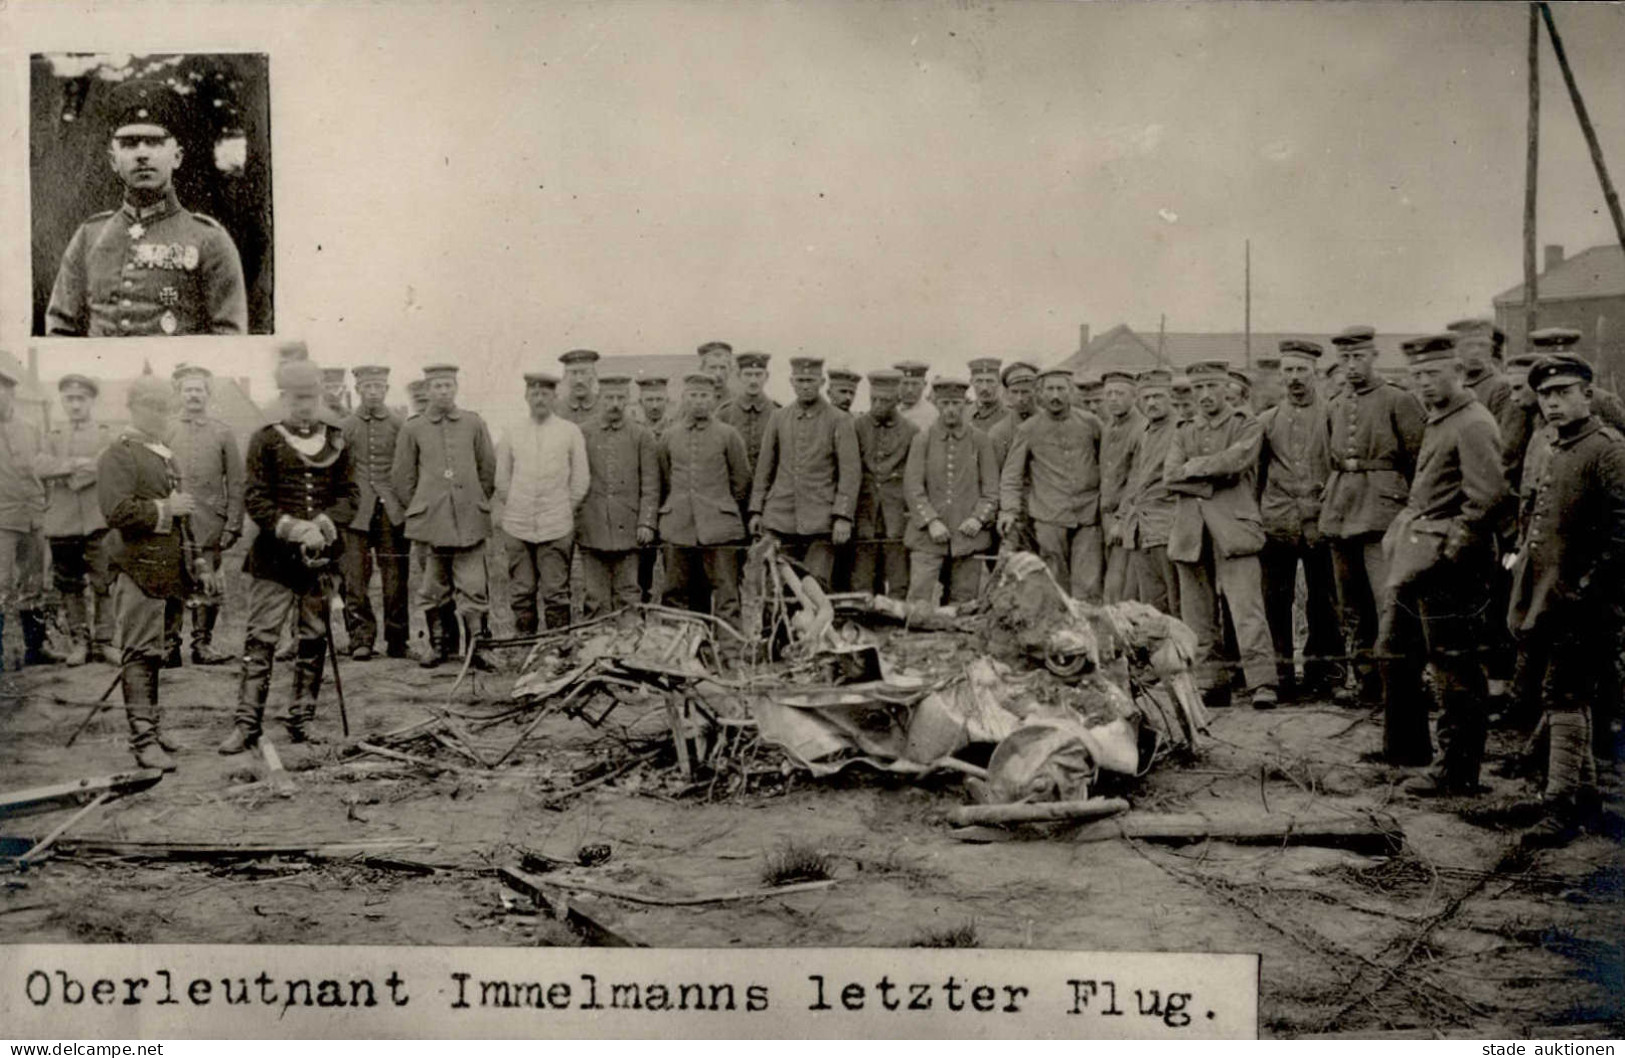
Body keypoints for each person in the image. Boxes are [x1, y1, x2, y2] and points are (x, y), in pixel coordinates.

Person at [1506, 354, 1625, 845]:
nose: (1553, 403)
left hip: (1586, 604)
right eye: (1546, 395)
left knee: (1564, 695)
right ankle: (1586, 800)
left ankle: (1559, 808)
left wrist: (1587, 590)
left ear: (1588, 395)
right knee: (1565, 695)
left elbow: (1622, 535)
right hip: (1552, 597)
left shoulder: (1608, 450)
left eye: (1564, 393)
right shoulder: (1559, 446)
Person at [1379, 334, 1506, 790]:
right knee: (1396, 650)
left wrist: (1450, 554)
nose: (1423, 383)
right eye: (1416, 375)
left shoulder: (1472, 423)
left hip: (1451, 569)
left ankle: (1457, 771)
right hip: (1420, 559)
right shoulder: (1442, 418)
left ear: (1457, 371)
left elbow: (1488, 500)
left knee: (1454, 666)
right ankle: (1407, 751)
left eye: (1432, 373)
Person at [219, 360, 357, 753]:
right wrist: (294, 528)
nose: (304, 405)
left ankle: (302, 721)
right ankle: (246, 725)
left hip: (320, 558)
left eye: (311, 397)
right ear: (284, 398)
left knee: (313, 638)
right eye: (297, 398)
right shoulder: (265, 439)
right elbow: (255, 498)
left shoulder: (336, 439)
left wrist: (327, 523)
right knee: (261, 639)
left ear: (320, 397)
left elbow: (351, 496)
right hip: (274, 559)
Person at [45, 79, 246, 337]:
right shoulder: (89, 237)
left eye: (154, 142)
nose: (142, 154)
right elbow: (60, 330)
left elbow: (229, 341)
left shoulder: (209, 240)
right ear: (113, 160)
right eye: (129, 143)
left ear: (177, 157)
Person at [1320, 324, 1425, 706]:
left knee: (1389, 602)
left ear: (1374, 356)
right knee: (1353, 604)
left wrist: (1411, 513)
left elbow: (1419, 461)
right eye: (1344, 358)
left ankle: (1398, 684)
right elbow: (1329, 461)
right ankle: (1366, 681)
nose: (1350, 365)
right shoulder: (1334, 403)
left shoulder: (1399, 400)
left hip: (1383, 513)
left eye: (1358, 357)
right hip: (1342, 510)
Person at [1164, 360, 1278, 710]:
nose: (1205, 395)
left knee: (1246, 608)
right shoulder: (1184, 430)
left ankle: (1262, 683)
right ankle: (1212, 682)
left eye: (1211, 387)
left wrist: (1194, 470)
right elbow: (1169, 475)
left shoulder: (1247, 425)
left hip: (1234, 530)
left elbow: (1236, 463)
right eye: (1198, 389)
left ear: (1226, 387)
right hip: (1191, 532)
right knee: (1198, 613)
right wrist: (1212, 477)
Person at [98, 376, 198, 769]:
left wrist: (196, 564)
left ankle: (152, 728)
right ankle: (142, 741)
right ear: (133, 407)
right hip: (136, 569)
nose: (158, 413)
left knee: (157, 652)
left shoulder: (165, 454)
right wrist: (166, 509)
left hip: (168, 570)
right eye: (150, 406)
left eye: (164, 406)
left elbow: (181, 518)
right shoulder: (118, 454)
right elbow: (116, 512)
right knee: (139, 653)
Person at [394, 364, 498, 665]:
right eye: (437, 386)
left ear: (456, 388)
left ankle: (477, 649)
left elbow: (487, 469)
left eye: (448, 385)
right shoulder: (413, 427)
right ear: (427, 390)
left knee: (473, 585)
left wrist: (472, 501)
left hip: (469, 520)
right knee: (432, 586)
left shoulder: (473, 423)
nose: (443, 391)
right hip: (431, 523)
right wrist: (422, 507)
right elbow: (402, 478)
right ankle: (438, 645)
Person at [1257, 340, 1339, 701]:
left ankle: (1327, 675)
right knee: (1275, 599)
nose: (1294, 378)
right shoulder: (1267, 421)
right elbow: (1257, 476)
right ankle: (1279, 677)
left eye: (1301, 370)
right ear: (1279, 375)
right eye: (1287, 370)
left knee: (1324, 599)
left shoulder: (1333, 415)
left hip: (1322, 521)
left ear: (1315, 373)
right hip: (1278, 523)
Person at [749, 357, 861, 589]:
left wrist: (843, 516)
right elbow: (764, 469)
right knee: (776, 586)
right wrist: (757, 510)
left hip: (821, 521)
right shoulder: (779, 417)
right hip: (781, 517)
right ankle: (777, 627)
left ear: (821, 382)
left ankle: (814, 626)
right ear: (792, 381)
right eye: (800, 380)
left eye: (810, 380)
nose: (805, 385)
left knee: (814, 586)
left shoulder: (839, 420)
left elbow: (850, 473)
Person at [494, 372, 587, 636]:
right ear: (526, 397)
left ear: (555, 397)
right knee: (522, 590)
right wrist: (515, 505)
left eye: (545, 394)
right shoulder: (512, 431)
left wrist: (563, 508)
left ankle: (557, 649)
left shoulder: (570, 432)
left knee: (556, 592)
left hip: (556, 525)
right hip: (518, 524)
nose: (539, 399)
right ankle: (525, 645)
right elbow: (502, 479)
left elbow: (581, 479)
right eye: (534, 394)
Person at [164, 363, 243, 667]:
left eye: (199, 390)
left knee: (207, 581)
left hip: (211, 519)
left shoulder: (222, 432)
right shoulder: (167, 429)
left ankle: (202, 644)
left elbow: (236, 481)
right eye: (188, 390)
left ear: (207, 394)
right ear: (179, 394)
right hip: (175, 520)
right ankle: (170, 645)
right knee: (172, 581)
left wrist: (233, 523)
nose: (193, 395)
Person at [999, 368, 1103, 600]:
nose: (1055, 395)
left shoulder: (1091, 423)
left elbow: (1107, 461)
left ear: (1071, 392)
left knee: (1088, 583)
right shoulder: (1028, 429)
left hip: (1088, 514)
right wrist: (1008, 510)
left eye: (1061, 389)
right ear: (1040, 394)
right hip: (1049, 516)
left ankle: (1088, 632)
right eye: (1050, 389)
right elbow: (1012, 475)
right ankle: (1059, 633)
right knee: (1056, 583)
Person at [658, 373, 751, 627]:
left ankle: (729, 654)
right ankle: (678, 653)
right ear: (684, 398)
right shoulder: (669, 436)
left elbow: (741, 482)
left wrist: (720, 509)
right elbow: (666, 479)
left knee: (726, 592)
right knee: (676, 591)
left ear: (713, 399)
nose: (699, 401)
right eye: (693, 396)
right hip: (679, 528)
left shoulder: (728, 435)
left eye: (704, 396)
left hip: (719, 530)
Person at [37, 375, 114, 666]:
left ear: (92, 401)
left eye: (81, 399)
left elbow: (107, 465)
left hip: (98, 520)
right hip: (63, 522)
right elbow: (40, 466)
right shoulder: (52, 435)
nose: (75, 404)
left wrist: (71, 473)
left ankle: (106, 642)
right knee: (69, 584)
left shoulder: (106, 433)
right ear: (63, 402)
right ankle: (80, 643)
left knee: (105, 581)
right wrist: (74, 464)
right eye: (70, 399)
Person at [903, 378, 998, 605]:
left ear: (965, 404)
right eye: (945, 404)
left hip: (968, 537)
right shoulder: (922, 440)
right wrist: (931, 521)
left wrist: (978, 518)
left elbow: (992, 490)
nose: (951, 410)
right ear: (936, 403)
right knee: (918, 601)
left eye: (956, 404)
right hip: (927, 537)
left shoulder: (980, 440)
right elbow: (912, 487)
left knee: (964, 603)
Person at [338, 365, 409, 660]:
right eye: (368, 387)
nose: (373, 393)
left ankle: (397, 640)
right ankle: (360, 639)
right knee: (354, 579)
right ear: (358, 391)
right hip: (356, 513)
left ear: (386, 390)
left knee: (395, 579)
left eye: (379, 387)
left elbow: (407, 466)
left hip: (391, 511)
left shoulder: (399, 424)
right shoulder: (346, 427)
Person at [577, 375, 657, 619]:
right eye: (609, 397)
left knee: (629, 592)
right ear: (600, 399)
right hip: (592, 525)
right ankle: (594, 648)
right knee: (595, 596)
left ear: (628, 400)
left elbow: (651, 483)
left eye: (620, 398)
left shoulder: (641, 435)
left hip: (629, 527)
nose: (614, 403)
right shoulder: (583, 433)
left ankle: (629, 646)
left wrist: (646, 522)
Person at [1119, 369, 1181, 615]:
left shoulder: (1180, 429)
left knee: (1176, 597)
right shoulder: (1146, 431)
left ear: (1171, 397)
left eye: (1158, 396)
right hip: (1141, 527)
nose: (1151, 403)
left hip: (1168, 524)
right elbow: (1136, 479)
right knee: (1152, 602)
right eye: (1146, 398)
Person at [0, 364, 50, 668]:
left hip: (33, 517)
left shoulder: (31, 427)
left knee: (34, 585)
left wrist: (45, 507)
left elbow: (44, 469)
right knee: (0, 586)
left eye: (3, 390)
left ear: (12, 393)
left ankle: (36, 650)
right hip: (1, 522)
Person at [851, 369, 917, 599]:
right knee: (863, 570)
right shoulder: (857, 427)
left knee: (898, 569)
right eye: (874, 399)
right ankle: (862, 618)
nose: (878, 405)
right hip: (865, 509)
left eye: (885, 400)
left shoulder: (911, 431)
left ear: (897, 400)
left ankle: (896, 617)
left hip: (896, 509)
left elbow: (914, 475)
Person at [1099, 369, 1145, 603]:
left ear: (1134, 397)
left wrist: (1121, 519)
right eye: (1109, 394)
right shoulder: (1109, 427)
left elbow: (1136, 481)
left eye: (1120, 393)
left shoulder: (1141, 429)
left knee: (1120, 585)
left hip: (1125, 518)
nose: (1113, 399)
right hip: (1105, 516)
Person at [635, 375, 671, 603]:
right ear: (640, 403)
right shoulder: (633, 430)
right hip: (642, 512)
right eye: (649, 400)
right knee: (640, 576)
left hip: (671, 512)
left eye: (659, 399)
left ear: (668, 401)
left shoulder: (677, 428)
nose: (655, 405)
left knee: (675, 577)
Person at [716, 352, 779, 476]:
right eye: (748, 374)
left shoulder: (778, 412)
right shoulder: (724, 413)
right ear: (739, 376)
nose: (753, 381)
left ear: (767, 376)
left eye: (758, 375)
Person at [1447, 319, 1513, 420]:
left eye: (1482, 345)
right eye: (1468, 345)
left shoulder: (1500, 386)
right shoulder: (1454, 383)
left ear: (1491, 350)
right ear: (1456, 350)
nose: (1476, 351)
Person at [557, 348, 602, 425]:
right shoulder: (557, 409)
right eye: (574, 373)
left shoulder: (603, 407)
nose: (579, 380)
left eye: (583, 373)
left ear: (592, 377)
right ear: (567, 378)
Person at [968, 357, 1008, 431]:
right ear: (971, 382)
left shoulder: (1010, 415)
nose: (984, 388)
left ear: (999, 382)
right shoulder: (963, 415)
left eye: (990, 381)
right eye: (979, 381)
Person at [896, 361, 937, 431]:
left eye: (915, 384)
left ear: (924, 385)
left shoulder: (930, 415)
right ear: (897, 385)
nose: (910, 390)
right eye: (905, 384)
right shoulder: (893, 409)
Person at [698, 341, 738, 405]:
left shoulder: (738, 400)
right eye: (712, 368)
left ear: (730, 369)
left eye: (723, 368)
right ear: (701, 369)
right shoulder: (692, 400)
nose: (718, 374)